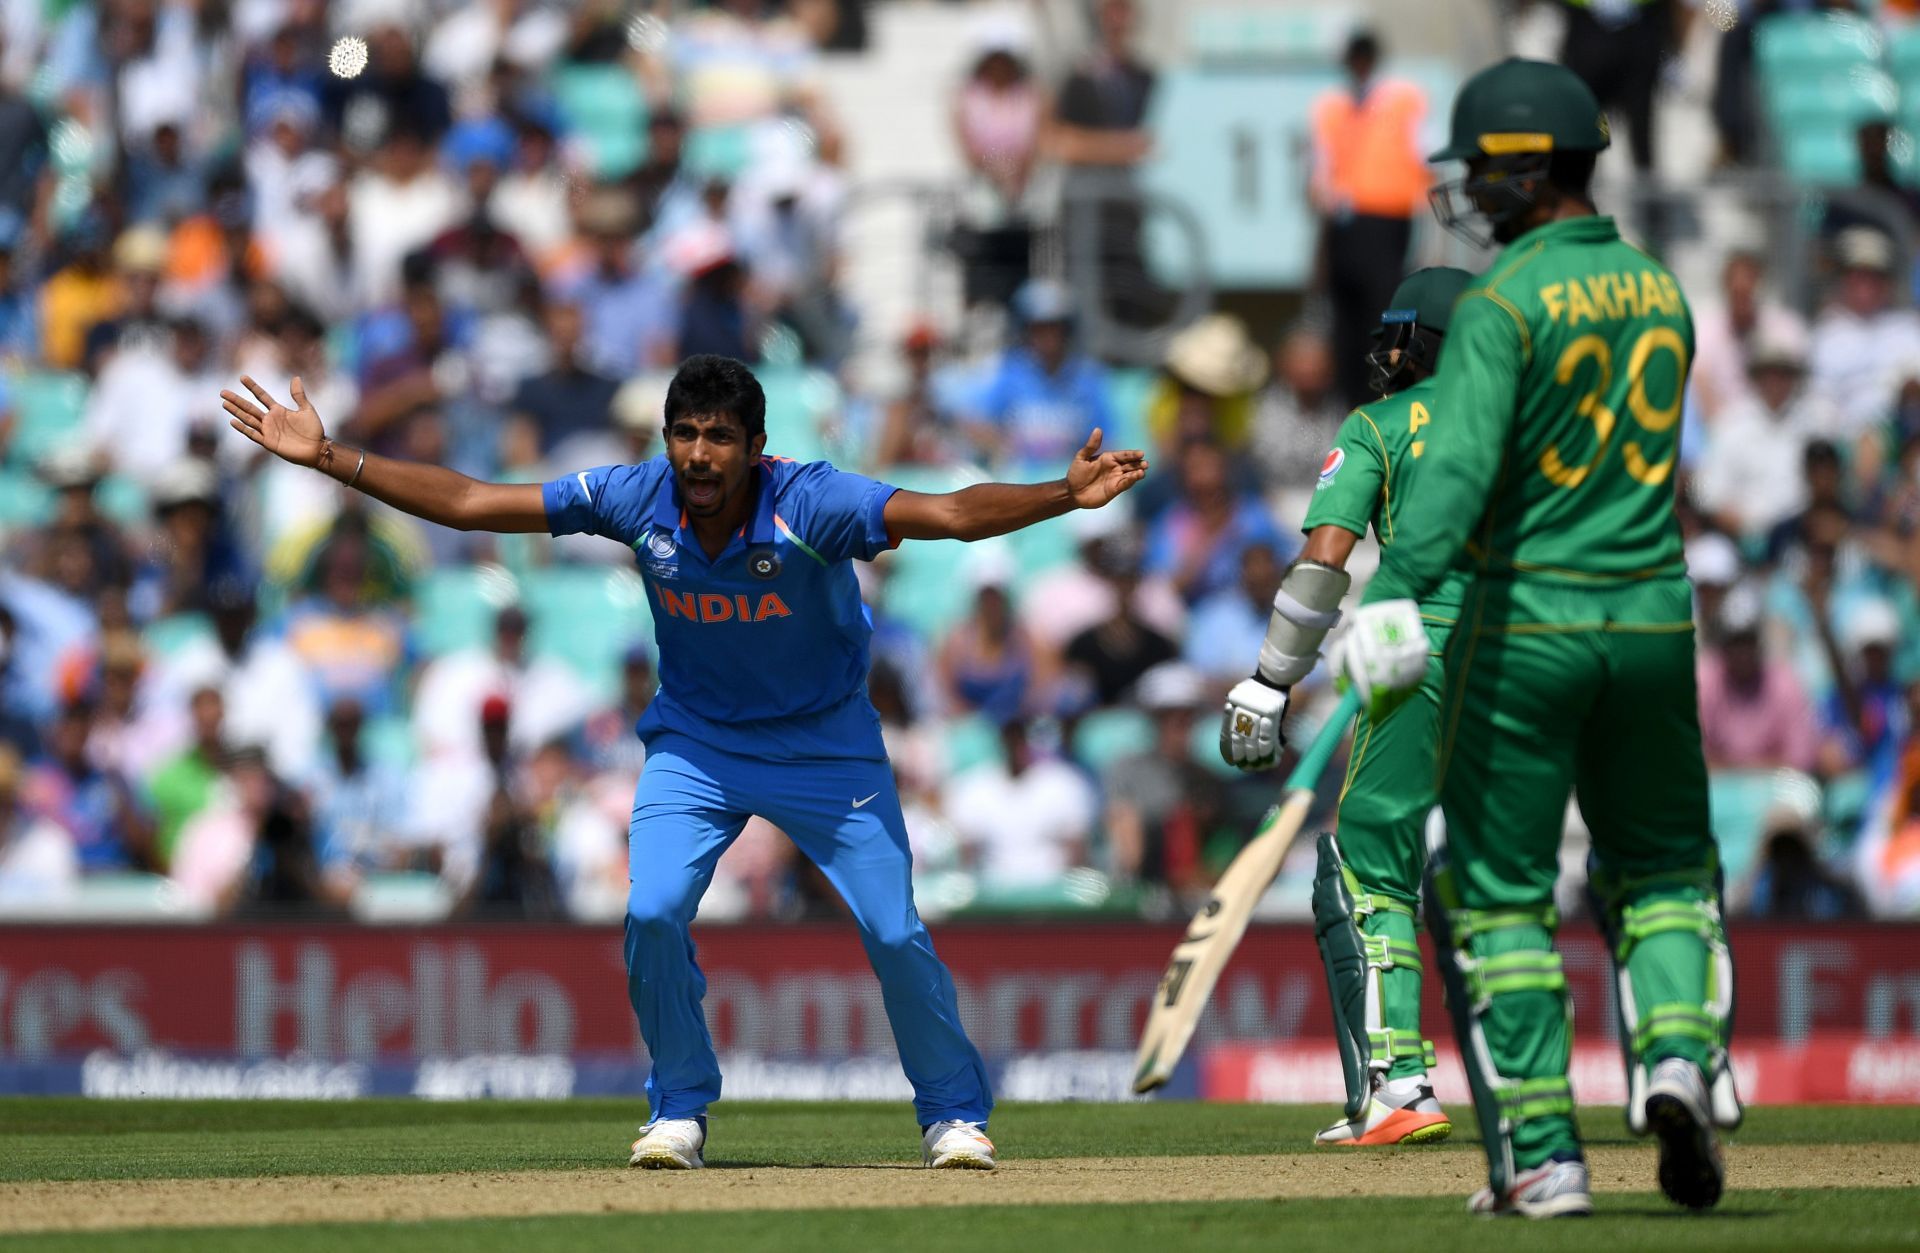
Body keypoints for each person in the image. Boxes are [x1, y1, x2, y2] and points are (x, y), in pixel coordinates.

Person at [221, 352, 1147, 1172]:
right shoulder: (636, 496)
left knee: (896, 931)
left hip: (827, 744)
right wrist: (332, 457)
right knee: (653, 909)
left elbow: (945, 512)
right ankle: (678, 1106)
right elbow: (471, 504)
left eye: (719, 438)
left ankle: (952, 1114)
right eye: (685, 435)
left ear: (756, 447)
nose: (699, 456)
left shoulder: (810, 500)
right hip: (698, 746)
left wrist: (1060, 495)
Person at [1295, 60, 1735, 1215]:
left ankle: (1543, 1155)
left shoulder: (1499, 305)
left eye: (1485, 169)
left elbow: (1452, 491)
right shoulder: (1661, 290)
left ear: (1529, 170)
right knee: (1663, 868)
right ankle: (1682, 1055)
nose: (1471, 190)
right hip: (1651, 613)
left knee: (1500, 891)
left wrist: (1400, 600)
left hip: (1528, 625)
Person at [1220, 266, 1472, 1149]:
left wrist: (1271, 679)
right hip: (1534, 655)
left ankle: (1395, 1081)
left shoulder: (1378, 424)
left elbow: (1326, 560)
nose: (1387, 350)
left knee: (1365, 862)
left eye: (1400, 333)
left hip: (1422, 650)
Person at [1309, 31, 1430, 408]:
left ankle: (1384, 402)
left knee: (1386, 323)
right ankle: (1355, 407)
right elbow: (1318, 174)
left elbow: (1427, 163)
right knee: (1347, 334)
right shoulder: (1332, 107)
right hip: (1345, 231)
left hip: (1388, 227)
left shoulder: (1404, 100)